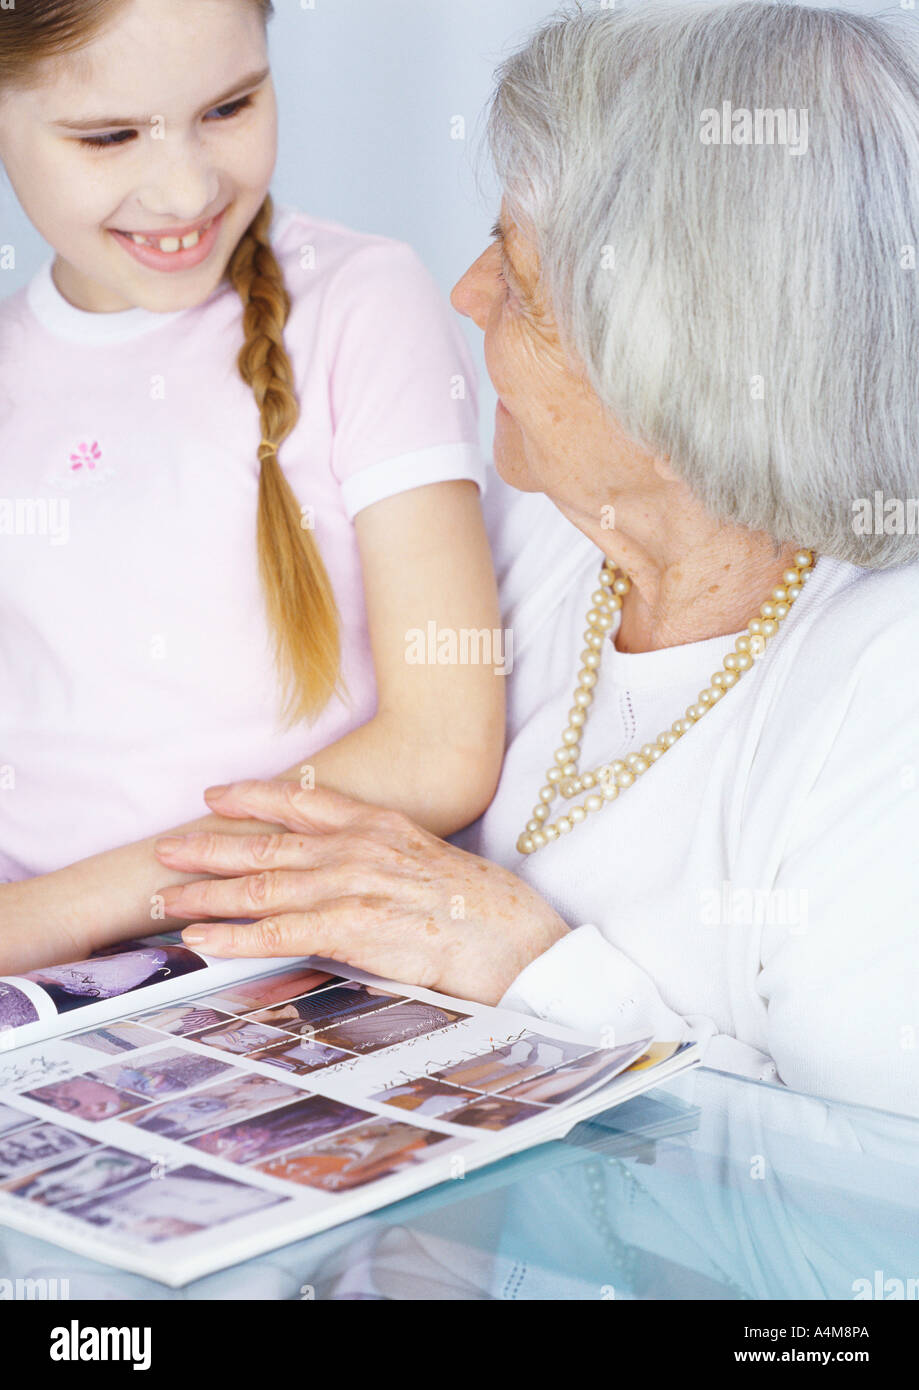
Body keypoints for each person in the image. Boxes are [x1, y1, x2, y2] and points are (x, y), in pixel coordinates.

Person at [151, 3, 919, 1119]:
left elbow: (863, 1213)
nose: (465, 294)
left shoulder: (882, 698)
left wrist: (532, 966)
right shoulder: (540, 527)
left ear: (664, 370)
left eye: (517, 280)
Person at [0, 0, 505, 974]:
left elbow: (442, 745)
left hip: (290, 963)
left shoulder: (363, 304)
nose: (185, 189)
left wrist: (48, 918)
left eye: (230, 107)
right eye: (108, 136)